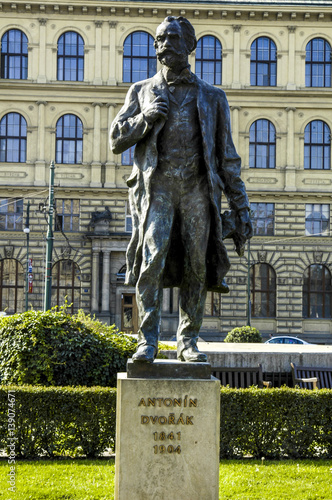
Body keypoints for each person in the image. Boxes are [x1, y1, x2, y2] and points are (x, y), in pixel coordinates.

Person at [110, 16, 252, 363]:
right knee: (152, 261)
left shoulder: (213, 97)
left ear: (190, 46)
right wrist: (145, 119)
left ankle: (188, 340)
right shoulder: (141, 91)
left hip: (197, 191)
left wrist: (242, 208)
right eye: (159, 39)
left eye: (172, 38)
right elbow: (115, 138)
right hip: (157, 189)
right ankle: (148, 341)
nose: (163, 45)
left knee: (197, 265)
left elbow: (227, 157)